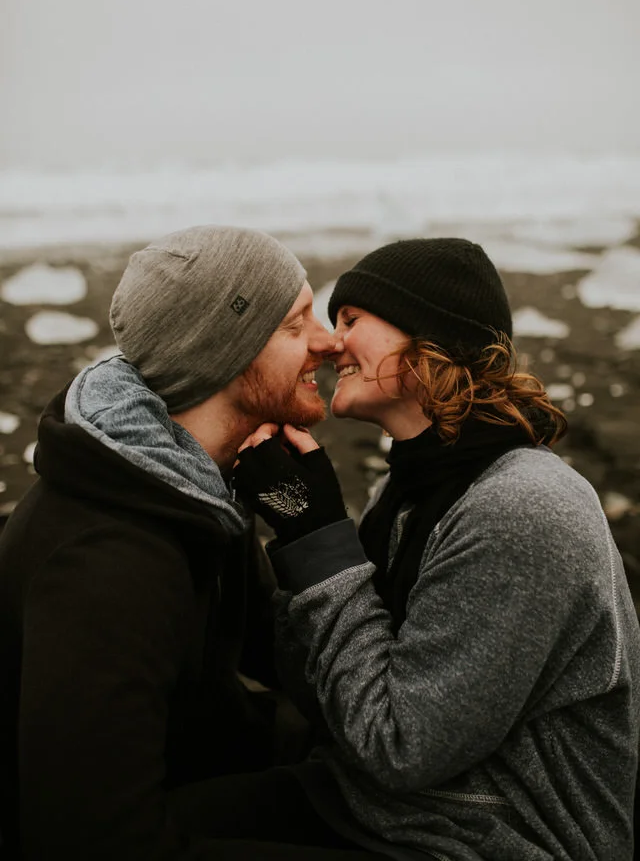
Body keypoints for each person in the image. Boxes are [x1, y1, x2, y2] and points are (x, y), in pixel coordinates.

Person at [222, 238, 640, 861]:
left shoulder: (523, 508)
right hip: (393, 805)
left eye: (352, 320)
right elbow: (330, 695)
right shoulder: (411, 488)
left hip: (501, 837)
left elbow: (400, 746)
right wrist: (274, 527)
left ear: (430, 339)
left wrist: (317, 538)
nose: (333, 343)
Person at [0, 224, 367, 861]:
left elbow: (271, 657)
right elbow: (91, 839)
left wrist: (309, 527)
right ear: (222, 351)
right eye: (293, 324)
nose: (329, 341)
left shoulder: (195, 488)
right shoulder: (106, 564)